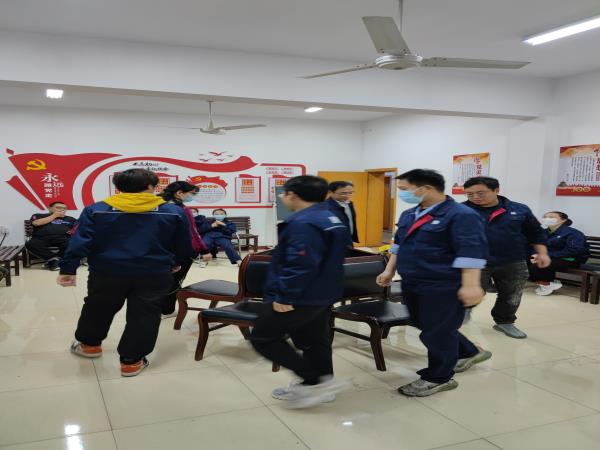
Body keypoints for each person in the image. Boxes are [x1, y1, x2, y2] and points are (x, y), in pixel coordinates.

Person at [56, 169, 192, 377]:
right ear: (151, 187)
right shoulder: (173, 212)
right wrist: (175, 262)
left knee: (98, 307)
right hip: (154, 272)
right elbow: (183, 244)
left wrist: (68, 268)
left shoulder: (96, 210)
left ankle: (90, 346)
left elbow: (80, 241)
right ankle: (131, 361)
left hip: (106, 271)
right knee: (145, 313)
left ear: (118, 187)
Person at [377, 169, 491, 397]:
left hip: (443, 283)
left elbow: (470, 251)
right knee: (426, 324)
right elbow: (398, 245)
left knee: (436, 332)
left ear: (426, 188)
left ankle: (439, 377)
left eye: (404, 189)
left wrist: (471, 285)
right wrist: (389, 270)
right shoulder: (410, 214)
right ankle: (468, 351)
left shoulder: (461, 215)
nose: (401, 194)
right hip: (413, 281)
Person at [250, 175, 351, 408]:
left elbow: (300, 264)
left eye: (284, 193)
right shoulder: (331, 216)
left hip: (302, 295)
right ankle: (322, 383)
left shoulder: (304, 223)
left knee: (263, 337)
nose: (282, 198)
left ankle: (313, 380)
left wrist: (285, 295)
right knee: (314, 339)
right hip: (325, 290)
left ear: (293, 195)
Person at [463, 176, 550, 339]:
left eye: (480, 193)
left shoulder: (519, 209)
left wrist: (542, 253)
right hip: (475, 261)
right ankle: (462, 313)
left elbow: (535, 233)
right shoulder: (461, 210)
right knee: (471, 291)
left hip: (513, 260)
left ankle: (505, 321)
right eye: (470, 194)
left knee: (512, 294)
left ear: (496, 190)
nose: (475, 197)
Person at [159, 182, 208, 317]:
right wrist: (204, 249)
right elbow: (192, 232)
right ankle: (166, 310)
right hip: (181, 251)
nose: (193, 196)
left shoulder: (158, 206)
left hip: (160, 250)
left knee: (160, 280)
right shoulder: (181, 209)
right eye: (192, 193)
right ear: (179, 193)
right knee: (175, 281)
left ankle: (157, 308)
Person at [529, 211, 590, 296]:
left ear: (563, 220)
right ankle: (547, 282)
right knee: (524, 260)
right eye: (545, 217)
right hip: (552, 257)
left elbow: (574, 250)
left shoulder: (573, 233)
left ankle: (547, 284)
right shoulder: (544, 232)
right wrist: (534, 255)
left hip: (571, 259)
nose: (547, 219)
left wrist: (544, 255)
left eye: (551, 217)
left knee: (540, 262)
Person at [26, 201, 77, 270]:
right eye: (58, 207)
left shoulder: (71, 219)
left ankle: (54, 260)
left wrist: (73, 231)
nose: (62, 210)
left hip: (63, 238)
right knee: (30, 244)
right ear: (50, 208)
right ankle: (53, 259)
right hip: (41, 238)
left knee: (73, 243)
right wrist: (54, 215)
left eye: (64, 208)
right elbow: (36, 223)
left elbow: (80, 227)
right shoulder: (38, 215)